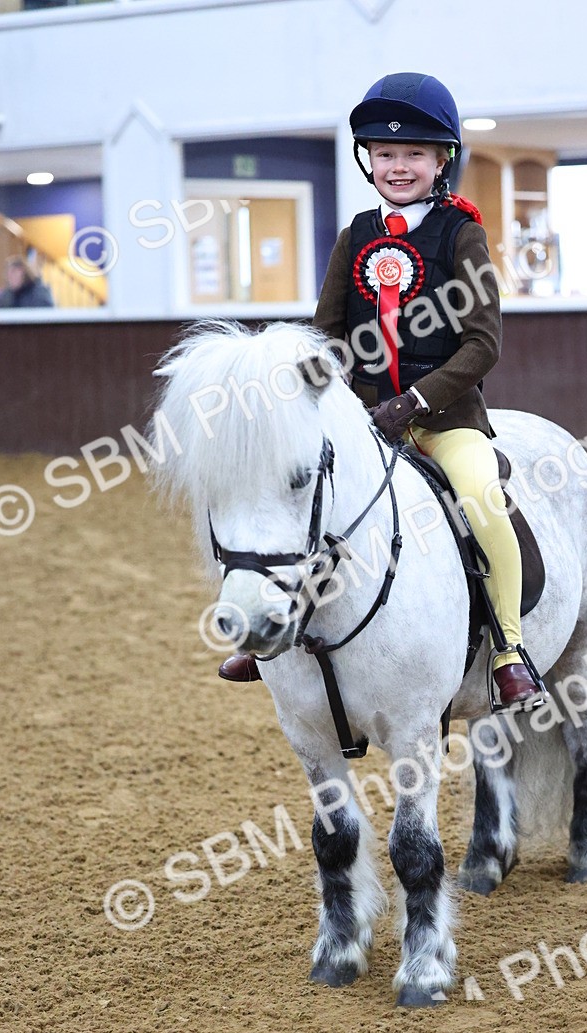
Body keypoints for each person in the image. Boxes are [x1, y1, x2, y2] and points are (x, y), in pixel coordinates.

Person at [220, 72, 547, 710]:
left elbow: (484, 344)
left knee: (481, 499)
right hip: (363, 419)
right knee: (305, 502)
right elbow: (327, 335)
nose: (399, 166)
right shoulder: (357, 235)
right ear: (368, 159)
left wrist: (415, 402)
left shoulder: (462, 235)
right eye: (387, 154)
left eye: (415, 154)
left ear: (442, 159)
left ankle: (509, 650)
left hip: (446, 418)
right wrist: (313, 386)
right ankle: (272, 633)